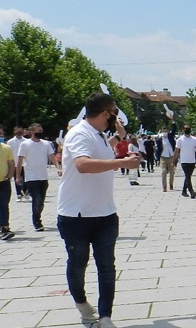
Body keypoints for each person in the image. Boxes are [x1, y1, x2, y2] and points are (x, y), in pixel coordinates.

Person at [57, 93, 140, 327]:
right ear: (106, 113)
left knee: (106, 267)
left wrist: (117, 137)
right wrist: (123, 162)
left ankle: (105, 317)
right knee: (78, 263)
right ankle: (82, 304)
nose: (117, 116)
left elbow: (102, 149)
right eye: (115, 112)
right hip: (77, 215)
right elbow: (83, 164)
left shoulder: (99, 135)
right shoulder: (78, 134)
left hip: (105, 214)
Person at [15, 123, 61, 231]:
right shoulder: (25, 144)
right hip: (31, 177)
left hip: (43, 176)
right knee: (37, 199)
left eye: (41, 131)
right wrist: (17, 176)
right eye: (38, 131)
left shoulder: (46, 144)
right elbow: (20, 161)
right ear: (31, 132)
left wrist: (58, 167)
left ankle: (37, 216)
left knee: (41, 201)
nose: (40, 133)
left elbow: (52, 157)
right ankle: (37, 222)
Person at [173, 125, 196, 198]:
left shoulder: (194, 139)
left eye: (188, 128)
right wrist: (174, 160)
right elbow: (176, 151)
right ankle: (191, 192)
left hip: (192, 160)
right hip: (184, 160)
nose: (187, 130)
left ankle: (184, 191)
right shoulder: (180, 139)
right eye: (185, 128)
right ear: (183, 129)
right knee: (188, 176)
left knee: (188, 176)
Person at [0, 126, 16, 240]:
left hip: (3, 182)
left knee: (3, 205)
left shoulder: (7, 148)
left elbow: (11, 164)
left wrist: (9, 176)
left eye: (1, 134)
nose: (0, 136)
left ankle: (5, 228)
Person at [7, 126, 28, 201]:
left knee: (25, 178)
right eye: (18, 131)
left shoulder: (26, 141)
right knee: (17, 178)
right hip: (15, 163)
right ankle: (19, 194)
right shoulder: (10, 142)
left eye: (20, 131)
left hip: (25, 163)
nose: (19, 133)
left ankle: (25, 192)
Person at [156, 121, 177, 192]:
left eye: (166, 131)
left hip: (171, 157)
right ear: (161, 131)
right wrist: (158, 159)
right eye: (163, 131)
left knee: (172, 172)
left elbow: (174, 130)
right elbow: (158, 150)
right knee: (163, 172)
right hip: (163, 157)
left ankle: (171, 184)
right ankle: (164, 186)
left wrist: (173, 122)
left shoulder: (170, 137)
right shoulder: (159, 140)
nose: (164, 132)